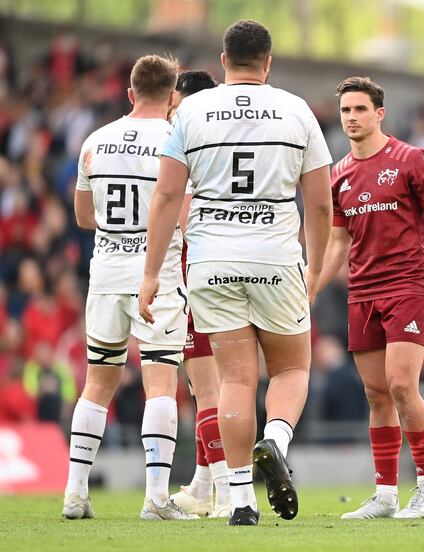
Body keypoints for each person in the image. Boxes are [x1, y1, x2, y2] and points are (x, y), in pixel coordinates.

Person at [138, 20, 333, 526]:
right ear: (268, 62)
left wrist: (151, 274)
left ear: (223, 61)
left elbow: (165, 196)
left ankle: (242, 501)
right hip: (274, 258)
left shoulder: (193, 110)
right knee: (291, 370)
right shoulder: (296, 111)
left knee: (234, 380)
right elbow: (319, 205)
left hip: (211, 261)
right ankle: (277, 438)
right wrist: (312, 265)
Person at [319, 76, 424, 519]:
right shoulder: (338, 174)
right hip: (362, 292)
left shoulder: (411, 159)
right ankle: (384, 494)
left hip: (407, 287)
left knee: (402, 385)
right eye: (345, 111)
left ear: (379, 113)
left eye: (360, 109)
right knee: (378, 395)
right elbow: (338, 245)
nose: (352, 118)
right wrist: (308, 289)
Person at [63, 54, 198, 521]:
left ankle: (75, 494)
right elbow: (182, 216)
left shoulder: (94, 141)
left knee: (96, 383)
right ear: (173, 96)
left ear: (130, 93)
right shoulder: (175, 138)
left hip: (105, 273)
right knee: (160, 384)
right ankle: (157, 499)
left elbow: (83, 217)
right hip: (155, 273)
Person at [163, 70, 232, 519]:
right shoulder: (227, 140)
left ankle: (229, 493)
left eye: (175, 104)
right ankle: (203, 486)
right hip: (243, 268)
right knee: (222, 386)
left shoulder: (187, 144)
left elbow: (185, 218)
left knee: (207, 389)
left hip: (198, 274)